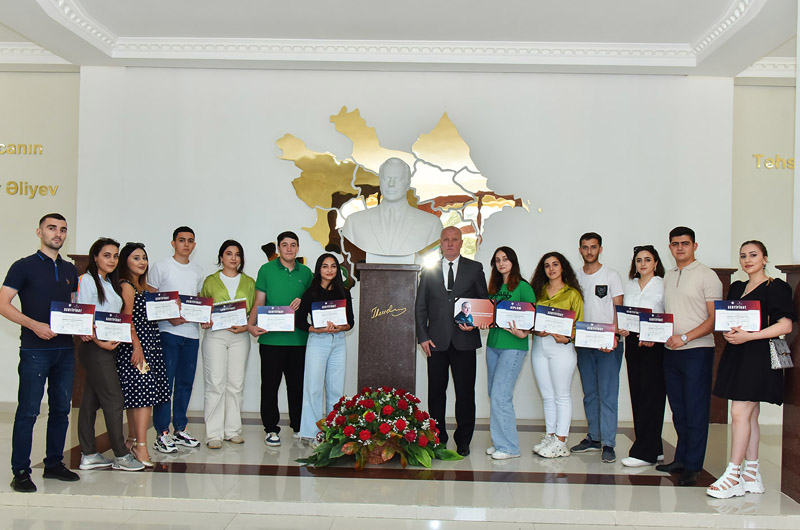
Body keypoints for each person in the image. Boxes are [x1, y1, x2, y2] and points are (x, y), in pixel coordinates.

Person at [706, 241, 796, 498]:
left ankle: (733, 474)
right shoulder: (737, 286)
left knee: (739, 412)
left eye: (753, 255)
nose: (747, 260)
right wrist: (730, 331)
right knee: (750, 415)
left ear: (765, 258)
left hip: (759, 356)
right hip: (737, 354)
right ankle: (751, 473)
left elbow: (785, 326)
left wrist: (750, 336)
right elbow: (729, 318)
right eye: (743, 255)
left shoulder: (776, 287)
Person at [0, 213, 80, 492]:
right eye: (52, 228)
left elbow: (73, 307)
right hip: (35, 350)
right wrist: (34, 325)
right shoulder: (23, 266)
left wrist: (82, 327)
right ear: (39, 232)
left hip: (65, 350)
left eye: (63, 229)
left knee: (61, 410)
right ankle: (21, 471)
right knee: (28, 411)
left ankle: (54, 464)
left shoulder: (70, 270)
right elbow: (3, 304)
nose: (58, 234)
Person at [656, 226, 722, 486]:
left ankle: (693, 466)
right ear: (670, 247)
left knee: (695, 410)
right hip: (671, 351)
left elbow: (714, 318)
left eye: (685, 243)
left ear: (695, 246)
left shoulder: (707, 276)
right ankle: (681, 458)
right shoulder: (669, 275)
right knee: (679, 410)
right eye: (675, 244)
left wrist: (685, 337)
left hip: (697, 351)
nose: (680, 247)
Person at [415, 226, 489, 456]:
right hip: (435, 342)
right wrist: (423, 337)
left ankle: (463, 440)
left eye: (454, 239)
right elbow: (420, 306)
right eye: (446, 239)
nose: (450, 243)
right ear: (440, 242)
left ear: (461, 243)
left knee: (465, 393)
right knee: (436, 393)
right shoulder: (429, 270)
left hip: (464, 340)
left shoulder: (474, 268)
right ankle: (438, 438)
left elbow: (483, 302)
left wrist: (475, 322)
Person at [76, 238, 144, 471]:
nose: (112, 260)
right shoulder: (87, 280)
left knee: (90, 401)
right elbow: (84, 316)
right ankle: (121, 455)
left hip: (108, 348)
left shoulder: (109, 283)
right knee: (114, 399)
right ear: (95, 257)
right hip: (95, 348)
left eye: (115, 256)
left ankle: (88, 454)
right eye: (107, 255)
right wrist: (100, 342)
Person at [248, 231, 313, 447]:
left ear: (298, 248)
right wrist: (250, 325)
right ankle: (271, 429)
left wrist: (303, 300)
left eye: (293, 245)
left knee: (297, 386)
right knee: (270, 386)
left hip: (299, 340)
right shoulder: (266, 270)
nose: (289, 249)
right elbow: (259, 301)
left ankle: (298, 426)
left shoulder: (306, 273)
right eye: (284, 245)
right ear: (278, 248)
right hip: (271, 340)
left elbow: (313, 301)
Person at [148, 226, 204, 453]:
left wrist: (203, 316)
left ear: (194, 245)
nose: (186, 244)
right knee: (165, 384)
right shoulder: (161, 266)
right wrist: (169, 317)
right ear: (173, 243)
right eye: (182, 240)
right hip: (168, 333)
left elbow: (197, 301)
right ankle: (162, 432)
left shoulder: (197, 271)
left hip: (191, 335)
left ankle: (180, 428)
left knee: (185, 383)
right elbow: (150, 299)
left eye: (190, 241)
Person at [572, 233, 624, 463]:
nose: (589, 251)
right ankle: (594, 437)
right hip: (584, 342)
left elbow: (618, 308)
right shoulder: (574, 277)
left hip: (607, 344)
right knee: (590, 393)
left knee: (608, 394)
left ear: (600, 249)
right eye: (585, 247)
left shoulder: (611, 275)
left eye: (593, 247)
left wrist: (614, 336)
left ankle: (608, 443)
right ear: (580, 250)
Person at [116, 242, 170, 467]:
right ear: (125, 261)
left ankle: (132, 440)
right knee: (143, 395)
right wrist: (137, 347)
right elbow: (127, 319)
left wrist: (171, 305)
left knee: (140, 395)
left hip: (151, 346)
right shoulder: (126, 286)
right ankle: (141, 445)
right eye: (136, 258)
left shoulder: (145, 288)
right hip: (136, 348)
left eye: (144, 258)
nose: (142, 262)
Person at [199, 240, 256, 449]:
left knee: (236, 384)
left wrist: (247, 326)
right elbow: (203, 308)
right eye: (229, 253)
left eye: (237, 254)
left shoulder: (249, 282)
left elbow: (254, 309)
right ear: (221, 257)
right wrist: (204, 318)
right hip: (216, 335)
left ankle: (232, 431)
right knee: (215, 383)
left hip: (240, 336)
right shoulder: (210, 281)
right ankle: (213, 434)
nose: (233, 258)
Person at [295, 253, 354, 445]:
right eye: (325, 266)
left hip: (338, 342)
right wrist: (316, 329)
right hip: (318, 342)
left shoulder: (344, 292)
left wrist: (340, 327)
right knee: (313, 389)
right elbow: (300, 321)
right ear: (319, 269)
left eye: (333, 266)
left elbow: (350, 322)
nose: (329, 270)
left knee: (336, 389)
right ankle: (312, 433)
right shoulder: (311, 292)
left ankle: (333, 432)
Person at [529, 252, 584, 459]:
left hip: (561, 348)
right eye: (547, 265)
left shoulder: (572, 294)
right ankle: (550, 436)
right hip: (539, 347)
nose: (551, 269)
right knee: (547, 395)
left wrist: (568, 337)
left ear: (563, 267)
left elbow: (579, 325)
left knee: (561, 395)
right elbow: (530, 319)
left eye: (555, 264)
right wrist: (536, 330)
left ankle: (561, 442)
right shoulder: (538, 292)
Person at [618, 245, 667, 468]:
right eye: (639, 260)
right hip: (633, 343)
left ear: (656, 263)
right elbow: (625, 314)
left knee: (652, 396)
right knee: (637, 394)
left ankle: (644, 452)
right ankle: (654, 447)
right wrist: (622, 327)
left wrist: (655, 336)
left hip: (654, 344)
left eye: (647, 259)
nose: (643, 263)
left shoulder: (663, 285)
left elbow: (667, 315)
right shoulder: (630, 285)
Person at [485, 247, 535, 460]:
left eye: (505, 259)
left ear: (513, 261)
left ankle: (510, 448)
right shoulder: (494, 288)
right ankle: (500, 442)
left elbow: (533, 316)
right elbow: (488, 314)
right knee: (494, 394)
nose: (501, 263)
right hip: (493, 345)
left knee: (501, 395)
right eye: (497, 260)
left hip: (513, 347)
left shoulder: (523, 287)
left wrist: (523, 333)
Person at [340, 157, 442, 257]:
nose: (391, 184)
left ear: (408, 184)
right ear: (380, 181)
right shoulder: (353, 222)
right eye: (386, 178)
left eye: (397, 179)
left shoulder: (431, 224)